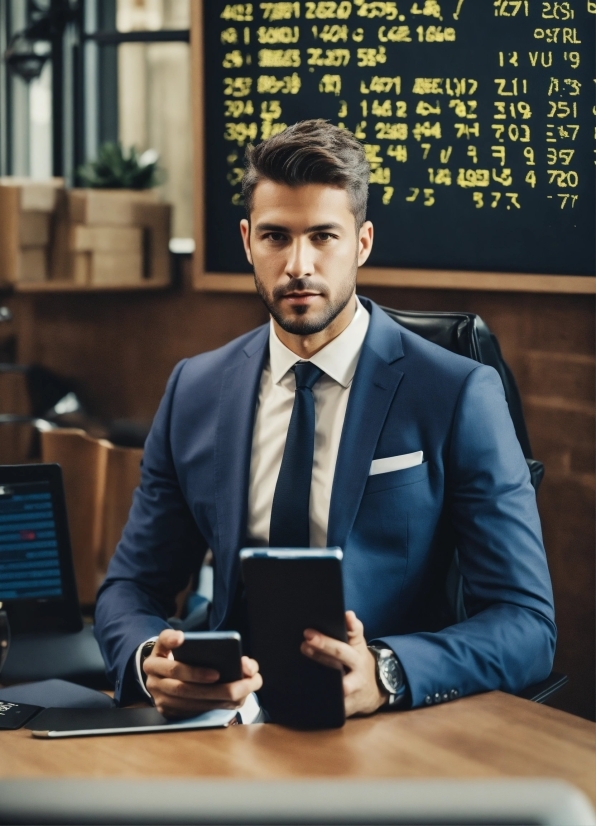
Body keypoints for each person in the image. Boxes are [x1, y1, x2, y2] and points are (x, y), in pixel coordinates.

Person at [95, 120, 555, 718]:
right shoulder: (195, 390)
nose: (297, 265)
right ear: (246, 241)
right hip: (229, 727)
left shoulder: (457, 391)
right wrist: (150, 656)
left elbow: (527, 624)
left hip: (392, 728)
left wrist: (388, 672)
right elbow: (131, 586)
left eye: (323, 236)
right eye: (276, 237)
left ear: (362, 242)